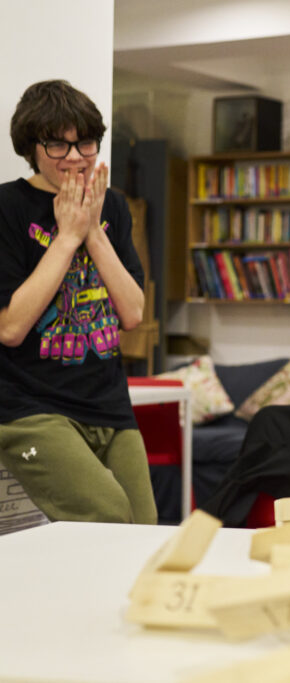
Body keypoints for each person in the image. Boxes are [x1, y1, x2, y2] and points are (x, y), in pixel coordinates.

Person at [0, 80, 157, 524]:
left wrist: (92, 230)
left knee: (144, 529)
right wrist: (67, 237)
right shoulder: (7, 208)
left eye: (84, 143)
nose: (74, 157)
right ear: (31, 146)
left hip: (109, 403)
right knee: (106, 515)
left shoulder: (115, 207)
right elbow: (10, 328)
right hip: (31, 409)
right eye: (57, 145)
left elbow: (133, 314)